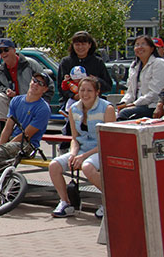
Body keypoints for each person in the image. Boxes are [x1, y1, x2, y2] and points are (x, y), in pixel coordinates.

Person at [49, 76, 116, 217]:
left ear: (97, 92)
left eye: (89, 90)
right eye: (82, 90)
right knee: (54, 165)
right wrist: (73, 154)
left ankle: (110, 201)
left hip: (102, 148)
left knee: (87, 166)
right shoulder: (74, 109)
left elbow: (108, 140)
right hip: (82, 149)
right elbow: (75, 138)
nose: (85, 94)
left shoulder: (107, 108)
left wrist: (83, 156)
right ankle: (65, 202)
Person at [0, 71, 52, 173]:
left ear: (45, 89)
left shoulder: (43, 109)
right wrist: (1, 145)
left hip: (28, 145)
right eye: (34, 81)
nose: (36, 84)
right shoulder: (16, 100)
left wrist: (2, 148)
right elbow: (7, 128)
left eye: (41, 84)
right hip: (11, 140)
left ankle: (3, 183)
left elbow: (26, 135)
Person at [0, 38, 52, 120]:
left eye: (6, 50)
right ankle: (5, 126)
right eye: (0, 51)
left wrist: (43, 103)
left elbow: (49, 84)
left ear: (14, 50)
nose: (3, 53)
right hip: (12, 103)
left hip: (32, 101)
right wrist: (6, 90)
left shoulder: (30, 64)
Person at [116, 35, 164, 121]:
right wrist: (123, 103)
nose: (139, 47)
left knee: (125, 113)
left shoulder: (159, 64)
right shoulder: (134, 66)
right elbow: (130, 91)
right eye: (137, 45)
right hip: (136, 105)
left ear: (152, 49)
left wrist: (134, 104)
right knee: (113, 111)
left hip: (153, 106)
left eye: (143, 44)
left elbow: (155, 93)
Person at [57, 31, 113, 100]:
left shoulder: (98, 62)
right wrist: (73, 96)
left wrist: (96, 80)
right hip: (71, 101)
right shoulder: (66, 62)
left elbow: (108, 86)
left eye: (83, 44)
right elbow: (60, 86)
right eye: (77, 44)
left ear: (89, 45)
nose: (80, 47)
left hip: (94, 101)